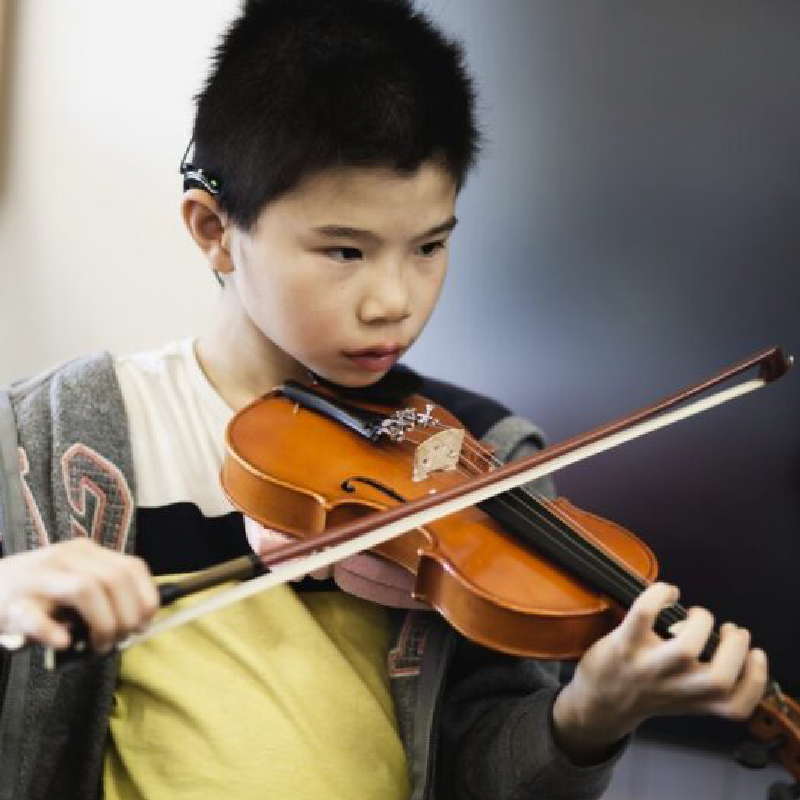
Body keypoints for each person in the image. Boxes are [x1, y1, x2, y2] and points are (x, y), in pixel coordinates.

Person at [0, 1, 767, 799]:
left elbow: (487, 773)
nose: (395, 301)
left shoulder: (485, 459)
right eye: (344, 250)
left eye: (430, 245)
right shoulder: (55, 437)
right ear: (214, 230)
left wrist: (589, 715)